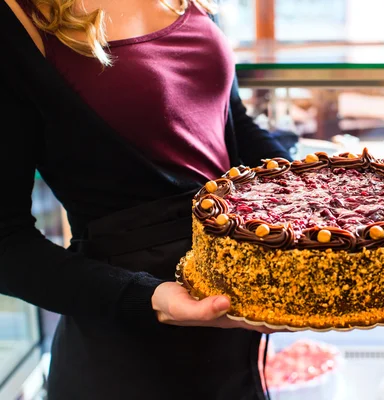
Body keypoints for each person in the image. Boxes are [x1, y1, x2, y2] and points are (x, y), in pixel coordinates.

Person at [0, 0, 291, 398]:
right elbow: (6, 244)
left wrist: (310, 191)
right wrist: (150, 298)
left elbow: (230, 119)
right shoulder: (15, 17)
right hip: (126, 346)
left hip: (231, 323)